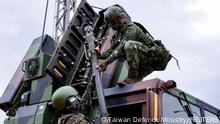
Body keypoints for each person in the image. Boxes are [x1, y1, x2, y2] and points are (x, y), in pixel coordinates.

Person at [97, 5, 171, 86]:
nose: (113, 25)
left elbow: (121, 47)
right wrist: (99, 55)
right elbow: (111, 52)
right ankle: (133, 79)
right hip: (141, 63)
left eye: (114, 22)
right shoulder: (116, 36)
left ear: (121, 18)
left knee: (129, 45)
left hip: (153, 58)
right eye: (111, 23)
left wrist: (106, 62)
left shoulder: (131, 28)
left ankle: (132, 76)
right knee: (131, 86)